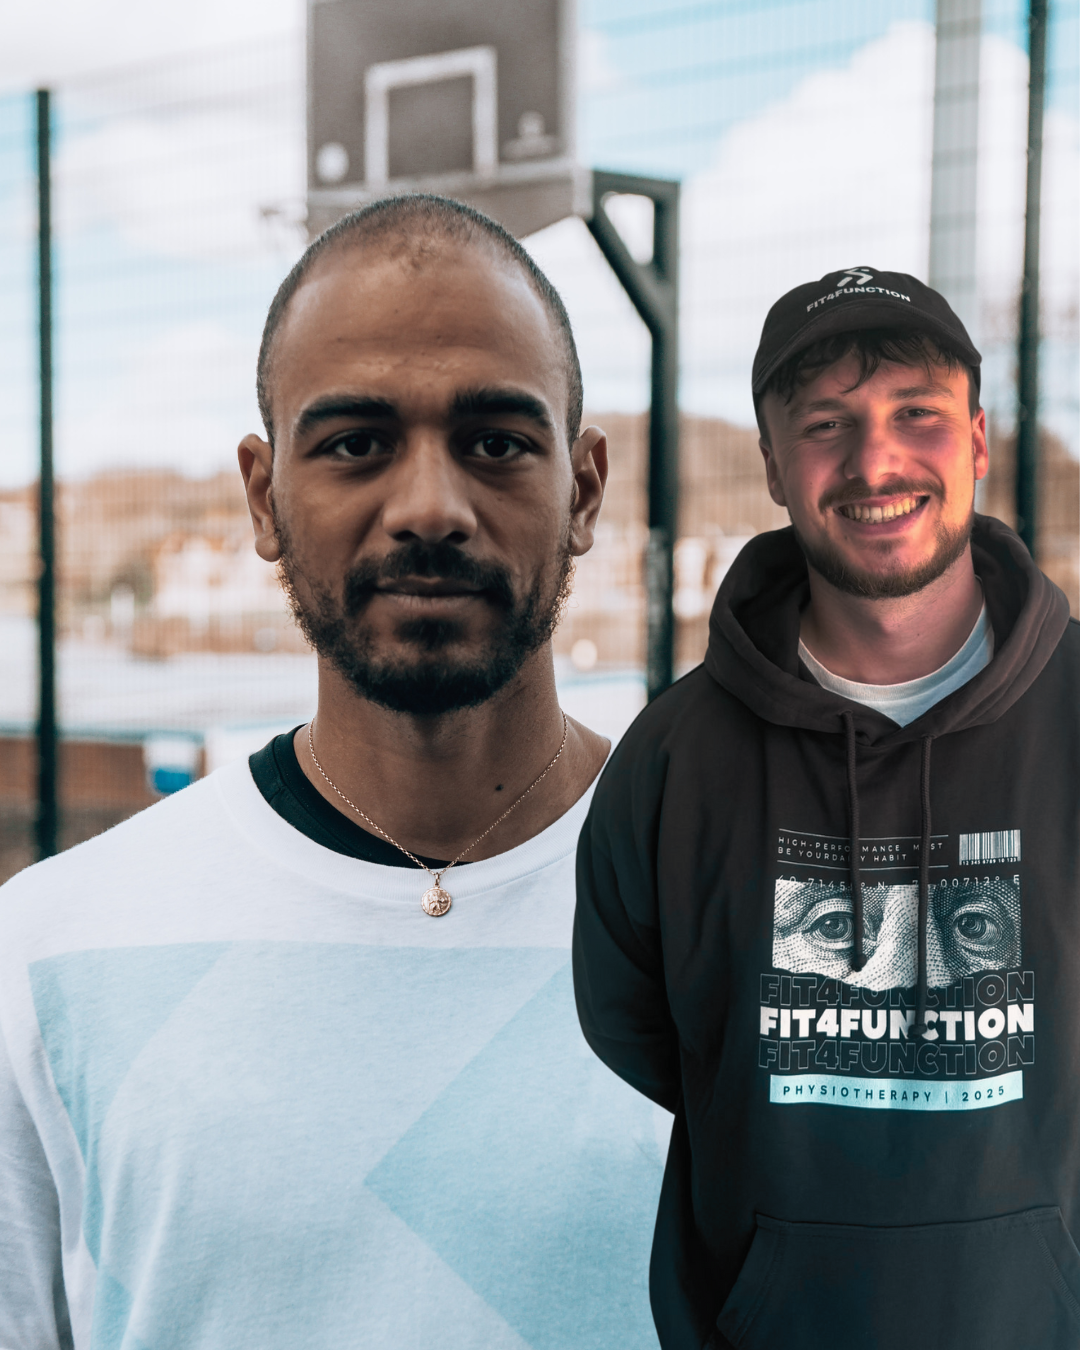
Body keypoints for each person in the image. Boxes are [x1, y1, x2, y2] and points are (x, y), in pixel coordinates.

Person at [0, 195, 666, 1350]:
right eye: (356, 442)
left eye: (496, 441)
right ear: (264, 497)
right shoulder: (50, 956)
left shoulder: (776, 914)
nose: (429, 508)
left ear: (586, 489)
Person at [573, 266, 1079, 1350]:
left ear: (979, 441)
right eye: (826, 425)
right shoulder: (673, 758)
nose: (875, 461)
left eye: (917, 415)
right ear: (771, 464)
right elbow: (646, 1037)